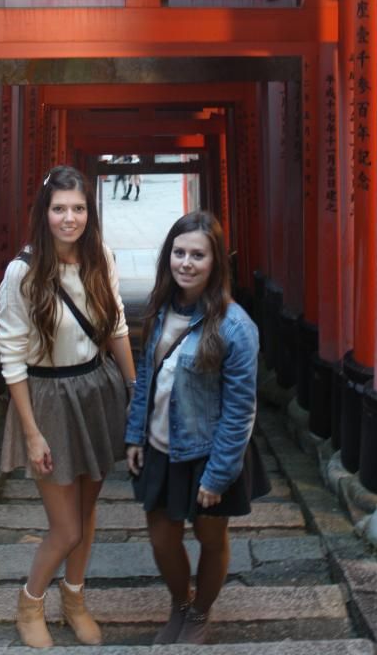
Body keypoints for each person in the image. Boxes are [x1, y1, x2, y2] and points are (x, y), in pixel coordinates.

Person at [0, 165, 137, 649]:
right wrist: (32, 433)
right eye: (60, 208)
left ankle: (75, 599)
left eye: (78, 208)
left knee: (88, 510)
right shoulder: (23, 272)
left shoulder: (99, 256)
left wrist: (133, 386)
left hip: (97, 389)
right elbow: (11, 357)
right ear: (44, 212)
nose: (69, 218)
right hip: (50, 398)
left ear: (89, 213)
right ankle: (29, 602)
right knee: (66, 527)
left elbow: (116, 322)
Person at [125, 210, 266, 645]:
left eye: (197, 255)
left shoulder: (236, 327)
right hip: (162, 447)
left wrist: (219, 475)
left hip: (208, 452)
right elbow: (147, 376)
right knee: (163, 540)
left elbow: (240, 409)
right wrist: (134, 433)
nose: (186, 262)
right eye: (179, 252)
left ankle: (200, 613)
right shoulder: (163, 307)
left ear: (216, 262)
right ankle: (180, 603)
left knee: (210, 535)